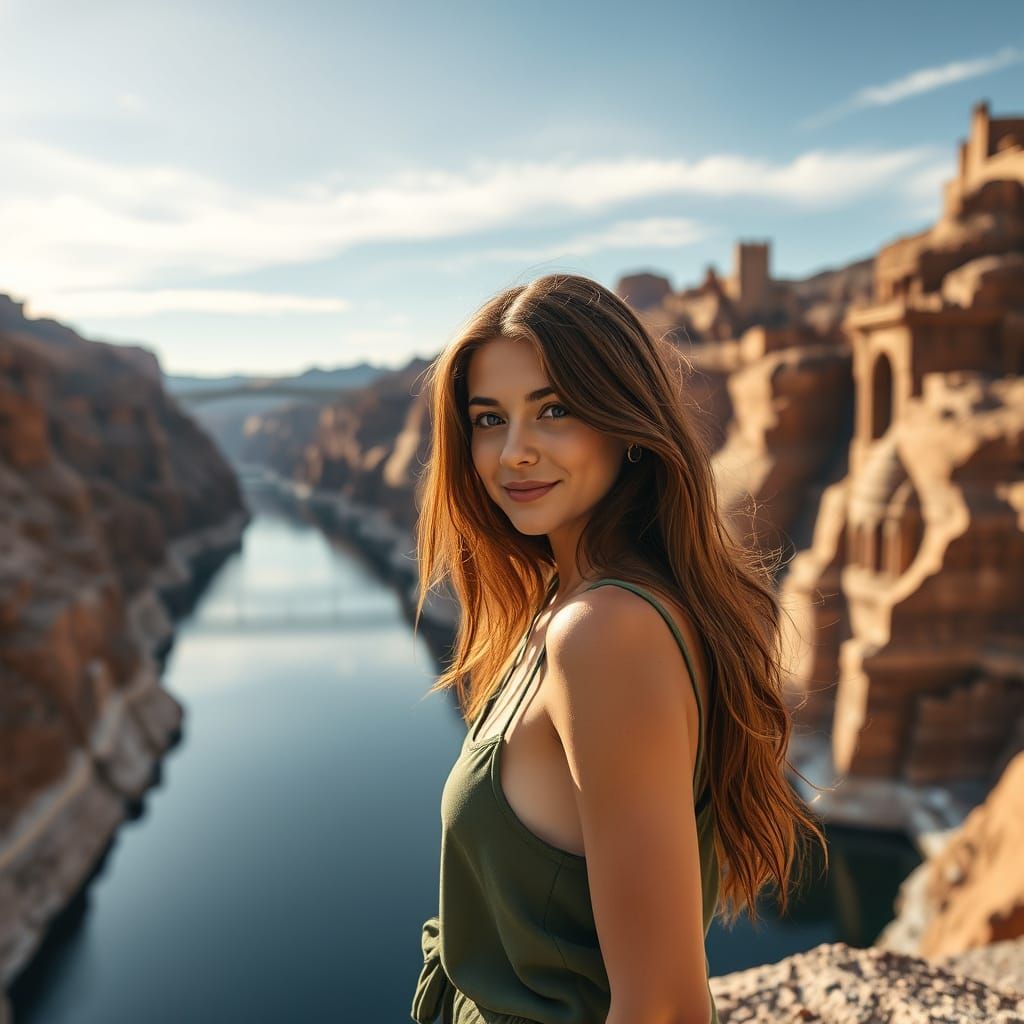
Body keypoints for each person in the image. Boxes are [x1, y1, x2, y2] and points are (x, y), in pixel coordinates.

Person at [409, 273, 827, 1024]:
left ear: (624, 422)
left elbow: (663, 1005)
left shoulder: (602, 633)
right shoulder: (571, 606)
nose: (515, 453)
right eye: (488, 418)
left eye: (555, 410)